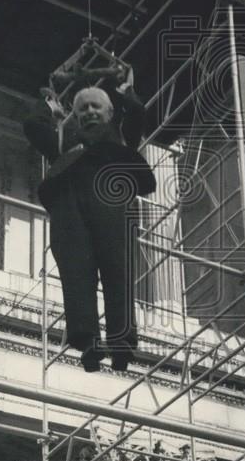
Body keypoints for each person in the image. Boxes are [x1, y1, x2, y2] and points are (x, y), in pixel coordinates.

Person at [23, 66, 156, 373]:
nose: (90, 112)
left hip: (111, 200)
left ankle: (121, 344)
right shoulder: (64, 143)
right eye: (83, 108)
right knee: (76, 273)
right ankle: (88, 342)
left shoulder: (121, 136)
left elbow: (135, 113)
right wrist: (50, 101)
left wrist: (125, 92)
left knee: (116, 270)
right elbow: (32, 125)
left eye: (97, 106)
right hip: (70, 207)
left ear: (110, 113)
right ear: (76, 114)